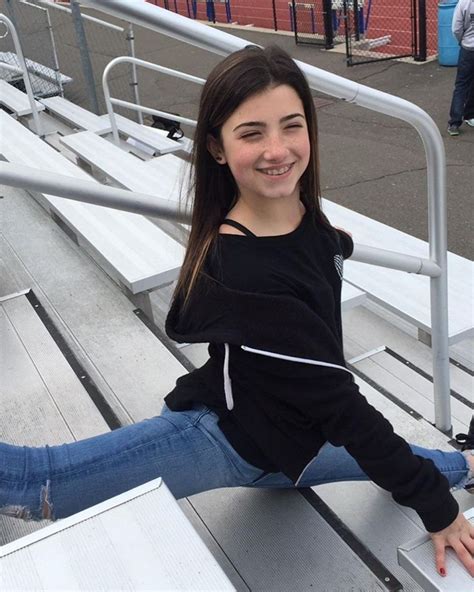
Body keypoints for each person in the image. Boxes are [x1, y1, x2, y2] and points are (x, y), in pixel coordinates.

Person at [1, 45, 473, 579]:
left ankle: (465, 464)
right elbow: (344, 408)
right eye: (251, 133)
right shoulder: (242, 271)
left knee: (428, 462)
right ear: (217, 148)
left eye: (291, 126)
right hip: (227, 442)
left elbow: (318, 265)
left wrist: (333, 246)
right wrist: (439, 511)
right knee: (40, 482)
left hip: (299, 445)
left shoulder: (305, 216)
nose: (277, 150)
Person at [447, 0, 474, 135]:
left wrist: (462, 41)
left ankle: (455, 122)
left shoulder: (464, 3)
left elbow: (456, 28)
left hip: (468, 49)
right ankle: (470, 115)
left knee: (461, 85)